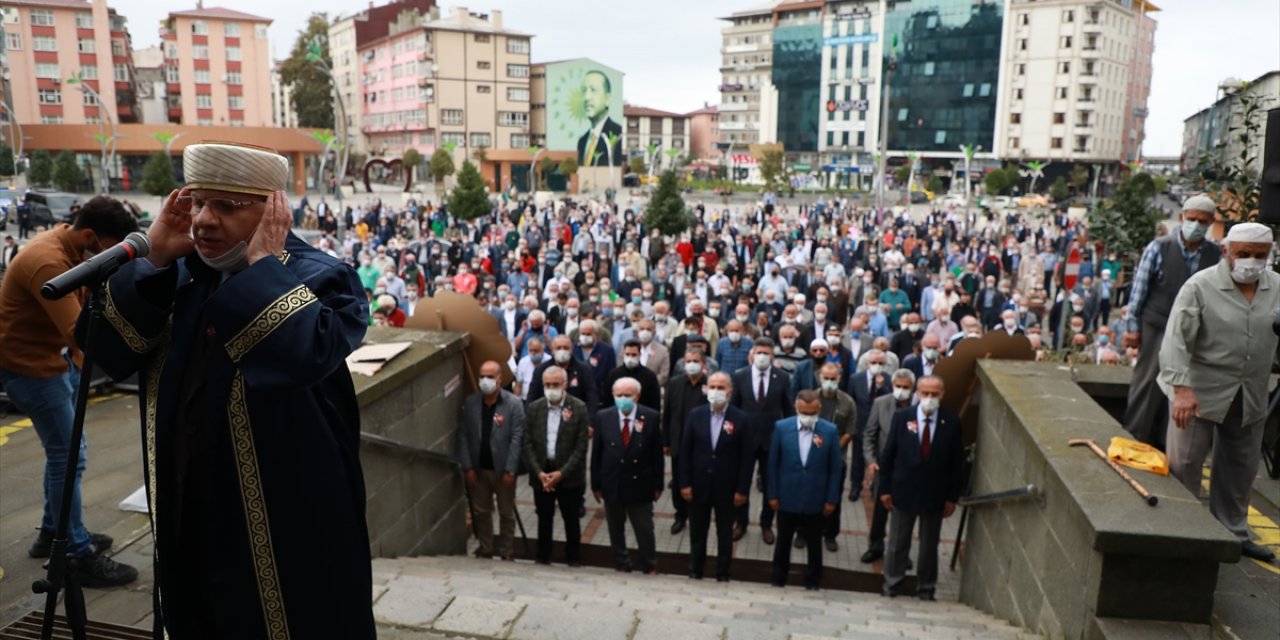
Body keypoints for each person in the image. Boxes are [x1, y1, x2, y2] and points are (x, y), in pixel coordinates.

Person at [87, 143, 373, 637]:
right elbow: (106, 352)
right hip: (186, 504)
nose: (203, 221)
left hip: (281, 522)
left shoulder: (322, 277)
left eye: (227, 206)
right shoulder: (182, 272)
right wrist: (154, 258)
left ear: (273, 211)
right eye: (198, 202)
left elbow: (304, 354)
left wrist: (263, 268)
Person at [0, 197, 139, 587]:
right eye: (112, 249)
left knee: (65, 455)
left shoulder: (71, 247)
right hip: (31, 370)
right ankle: (75, 552)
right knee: (69, 455)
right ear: (91, 236)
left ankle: (53, 532)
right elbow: (80, 332)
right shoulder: (48, 261)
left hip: (54, 361)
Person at [1159, 223, 1279, 562]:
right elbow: (1175, 340)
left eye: (1259, 255)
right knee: (1185, 464)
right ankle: (1182, 533)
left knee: (1241, 467)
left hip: (1250, 392)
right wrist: (1182, 389)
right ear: (1226, 251)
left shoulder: (1276, 287)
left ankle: (1232, 534)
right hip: (1199, 392)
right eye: (1244, 254)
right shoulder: (1200, 286)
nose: (1251, 261)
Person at [1123, 195, 1221, 448]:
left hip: (1193, 331)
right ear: (1181, 217)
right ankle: (1134, 439)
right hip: (1157, 324)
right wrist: (1132, 328)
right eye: (1192, 219)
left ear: (1211, 222)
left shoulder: (1215, 254)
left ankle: (1166, 445)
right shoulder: (1159, 247)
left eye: (1202, 221)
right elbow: (1139, 291)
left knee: (1183, 385)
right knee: (1148, 383)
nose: (1196, 225)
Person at [878, 375, 963, 601]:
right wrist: (884, 489)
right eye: (925, 393)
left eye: (935, 394)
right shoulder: (902, 417)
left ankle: (926, 588)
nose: (929, 398)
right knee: (897, 543)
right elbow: (888, 455)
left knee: (929, 546)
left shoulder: (950, 421)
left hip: (935, 495)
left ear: (942, 395)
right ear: (917, 393)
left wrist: (952, 497)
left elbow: (957, 463)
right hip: (903, 492)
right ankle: (892, 584)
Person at [677, 372, 753, 582]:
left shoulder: (741, 419)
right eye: (712, 387)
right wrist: (684, 483)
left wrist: (742, 490)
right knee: (697, 532)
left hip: (727, 488)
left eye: (721, 387)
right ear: (706, 389)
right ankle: (696, 569)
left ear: (730, 392)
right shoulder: (695, 415)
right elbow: (685, 452)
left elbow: (747, 458)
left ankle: (723, 572)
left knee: (725, 533)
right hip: (698, 485)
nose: (716, 391)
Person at [766, 391, 844, 590]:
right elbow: (772, 464)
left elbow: (835, 469)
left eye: (812, 413)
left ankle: (813, 581)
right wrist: (772, 494)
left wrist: (832, 499)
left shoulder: (830, 431)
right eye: (804, 412)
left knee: (814, 543)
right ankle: (778, 578)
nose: (808, 416)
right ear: (796, 408)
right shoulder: (781, 428)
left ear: (819, 409)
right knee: (783, 541)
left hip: (815, 497)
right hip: (787, 496)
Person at [591, 377, 664, 573]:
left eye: (628, 395)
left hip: (641, 483)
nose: (623, 399)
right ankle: (622, 562)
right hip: (612, 481)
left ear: (637, 396)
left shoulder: (651, 417)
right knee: (615, 527)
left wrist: (658, 485)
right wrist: (595, 485)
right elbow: (597, 453)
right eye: (619, 395)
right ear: (613, 395)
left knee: (644, 528)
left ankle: (649, 564)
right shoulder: (603, 417)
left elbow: (657, 455)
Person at [522, 366, 590, 566]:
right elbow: (527, 443)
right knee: (544, 517)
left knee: (571, 518)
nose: (551, 389)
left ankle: (573, 557)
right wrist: (539, 472)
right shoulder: (534, 408)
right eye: (547, 385)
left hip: (568, 475)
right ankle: (543, 556)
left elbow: (581, 446)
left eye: (555, 384)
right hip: (542, 473)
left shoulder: (578, 407)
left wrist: (562, 473)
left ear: (565, 385)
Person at [729, 338, 794, 543]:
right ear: (752, 354)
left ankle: (766, 524)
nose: (762, 357)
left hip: (771, 440)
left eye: (766, 353)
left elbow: (788, 409)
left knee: (769, 484)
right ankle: (741, 522)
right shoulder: (740, 375)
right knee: (741, 482)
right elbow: (733, 408)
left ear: (772, 355)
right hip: (745, 440)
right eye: (759, 353)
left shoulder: (782, 377)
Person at [861, 369, 916, 563]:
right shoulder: (880, 403)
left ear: (912, 388)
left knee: (905, 514)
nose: (901, 390)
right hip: (883, 468)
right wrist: (870, 461)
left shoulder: (919, 406)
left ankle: (901, 552)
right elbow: (869, 434)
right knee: (879, 511)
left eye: (905, 387)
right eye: (898, 386)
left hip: (909, 471)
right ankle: (875, 546)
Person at [663, 348, 711, 534]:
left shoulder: (710, 385)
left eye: (695, 361)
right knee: (678, 481)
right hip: (679, 442)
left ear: (703, 364)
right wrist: (666, 442)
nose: (691, 365)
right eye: (688, 361)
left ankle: (697, 515)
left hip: (702, 446)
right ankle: (680, 515)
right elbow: (667, 414)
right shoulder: (675, 383)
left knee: (699, 481)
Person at [813, 363, 856, 552]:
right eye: (826, 378)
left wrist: (833, 448)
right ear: (819, 378)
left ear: (839, 378)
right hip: (811, 456)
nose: (829, 382)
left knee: (833, 497)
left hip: (837, 458)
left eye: (833, 378)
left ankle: (830, 535)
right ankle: (803, 532)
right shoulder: (810, 398)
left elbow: (850, 430)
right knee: (809, 495)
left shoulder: (848, 402)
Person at [847, 349, 891, 501]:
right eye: (874, 362)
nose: (877, 365)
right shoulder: (855, 379)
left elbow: (889, 400)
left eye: (880, 363)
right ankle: (855, 486)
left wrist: (881, 387)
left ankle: (875, 486)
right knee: (857, 459)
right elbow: (851, 403)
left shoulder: (888, 379)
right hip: (861, 424)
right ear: (867, 363)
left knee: (878, 457)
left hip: (880, 426)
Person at [576, 70, 622, 167]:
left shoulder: (618, 135)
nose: (587, 97)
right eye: (584, 91)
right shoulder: (582, 141)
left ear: (607, 99)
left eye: (593, 90)